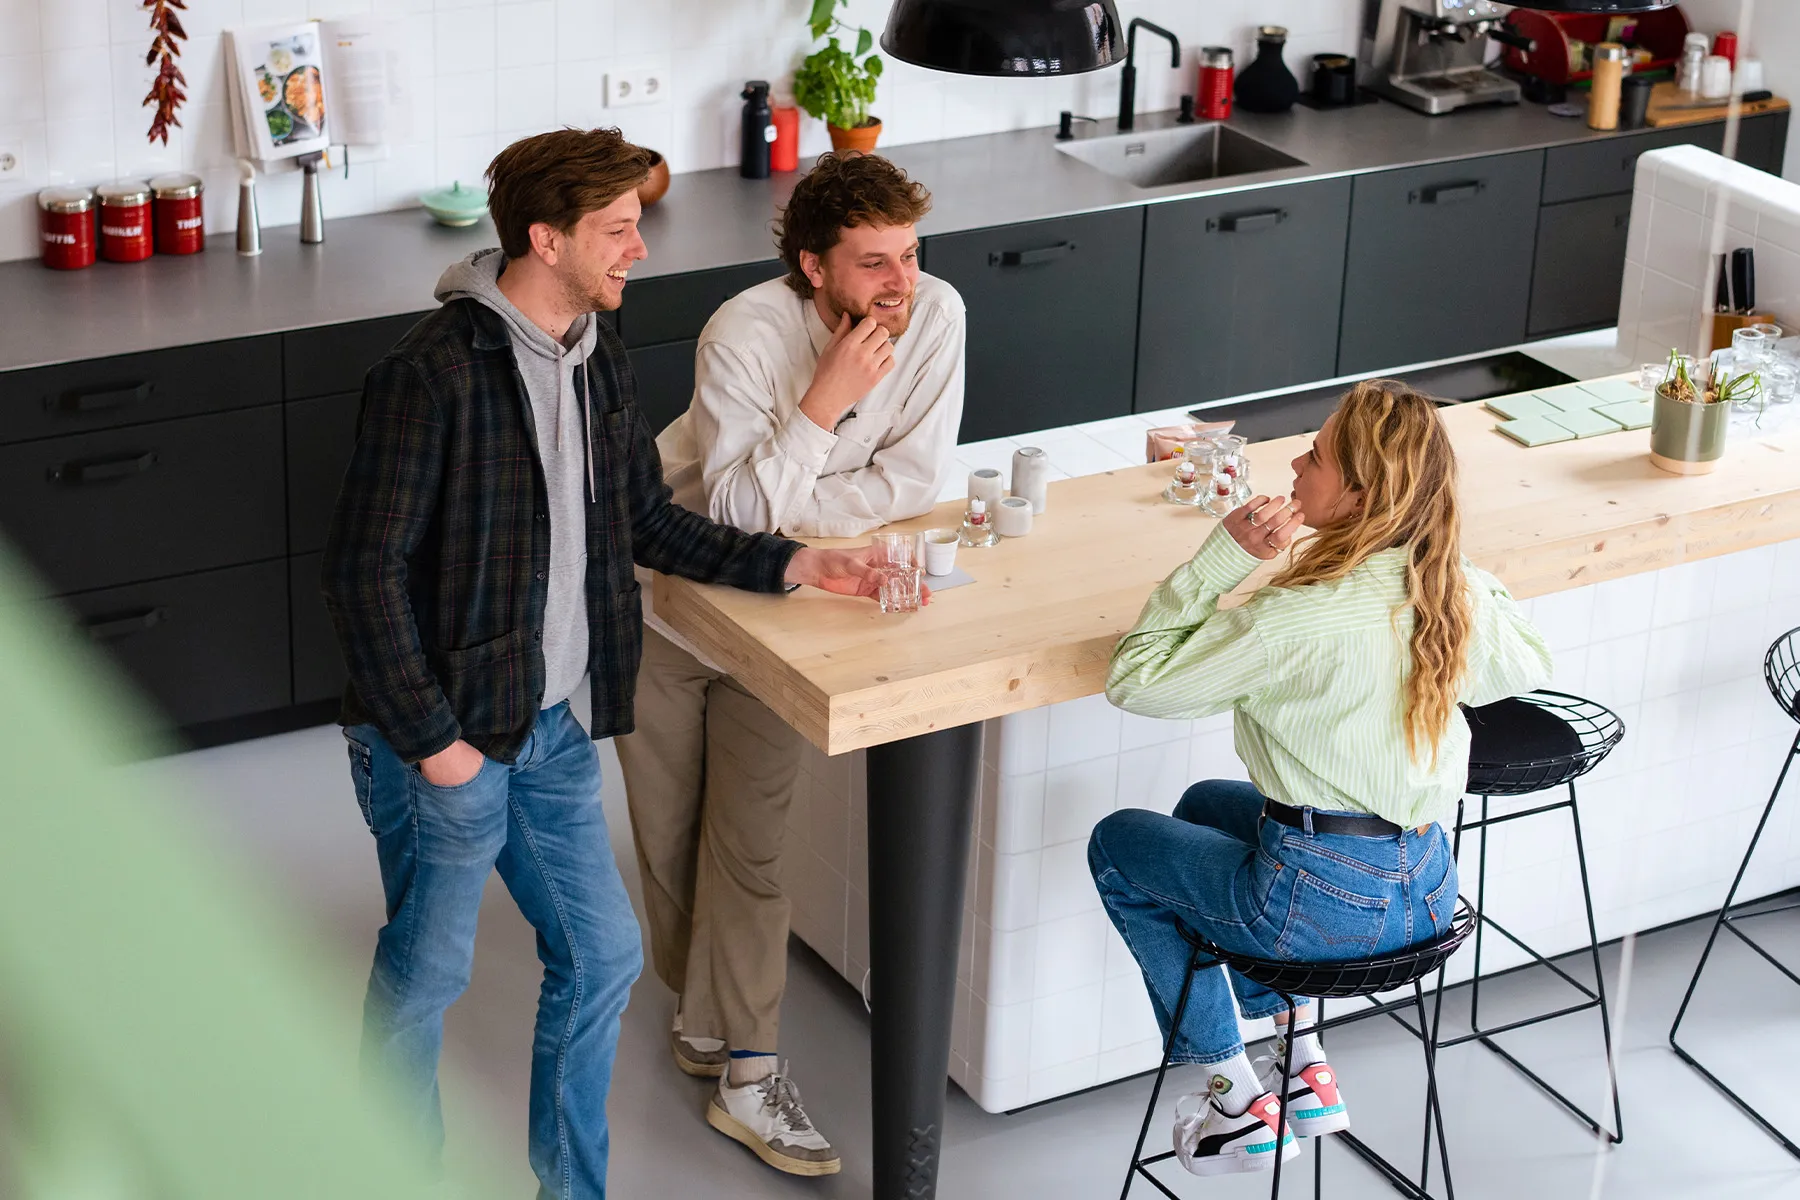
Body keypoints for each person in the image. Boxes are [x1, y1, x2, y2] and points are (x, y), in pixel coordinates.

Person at [321, 127, 886, 1200]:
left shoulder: (596, 355)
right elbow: (362, 579)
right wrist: (436, 746)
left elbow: (641, 522)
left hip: (551, 729)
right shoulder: (430, 376)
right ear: (546, 237)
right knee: (429, 973)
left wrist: (799, 563)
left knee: (604, 957)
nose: (638, 250)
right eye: (617, 231)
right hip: (439, 735)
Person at [1087, 381, 1552, 1178]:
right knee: (1204, 806)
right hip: (1426, 887)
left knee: (1117, 843)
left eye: (1318, 455)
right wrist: (1431, 545)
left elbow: (1137, 681)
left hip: (1321, 910)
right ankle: (1301, 1063)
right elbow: (1527, 662)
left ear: (1364, 494)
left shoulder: (1293, 619)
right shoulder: (1448, 590)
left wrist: (1218, 561)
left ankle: (1233, 1100)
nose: (1297, 461)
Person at [615, 151, 965, 1177]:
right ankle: (704, 1018)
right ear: (812, 267)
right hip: (670, 600)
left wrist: (793, 505)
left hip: (797, 610)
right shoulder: (747, 333)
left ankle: (747, 1071)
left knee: (750, 844)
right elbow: (723, 517)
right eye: (873, 263)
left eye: (907, 254)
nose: (900, 282)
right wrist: (825, 402)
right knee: (669, 834)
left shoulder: (936, 313)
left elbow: (912, 482)